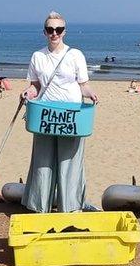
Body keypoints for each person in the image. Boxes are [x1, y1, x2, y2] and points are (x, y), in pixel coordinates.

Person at [21, 11, 99, 213]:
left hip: (71, 115)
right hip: (44, 115)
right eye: (50, 30)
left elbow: (83, 85)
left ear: (64, 31)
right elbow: (36, 86)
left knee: (69, 163)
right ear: (44, 32)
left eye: (58, 29)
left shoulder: (75, 55)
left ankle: (71, 207)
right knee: (42, 163)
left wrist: (91, 94)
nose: (54, 33)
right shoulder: (38, 56)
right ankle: (39, 206)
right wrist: (28, 93)